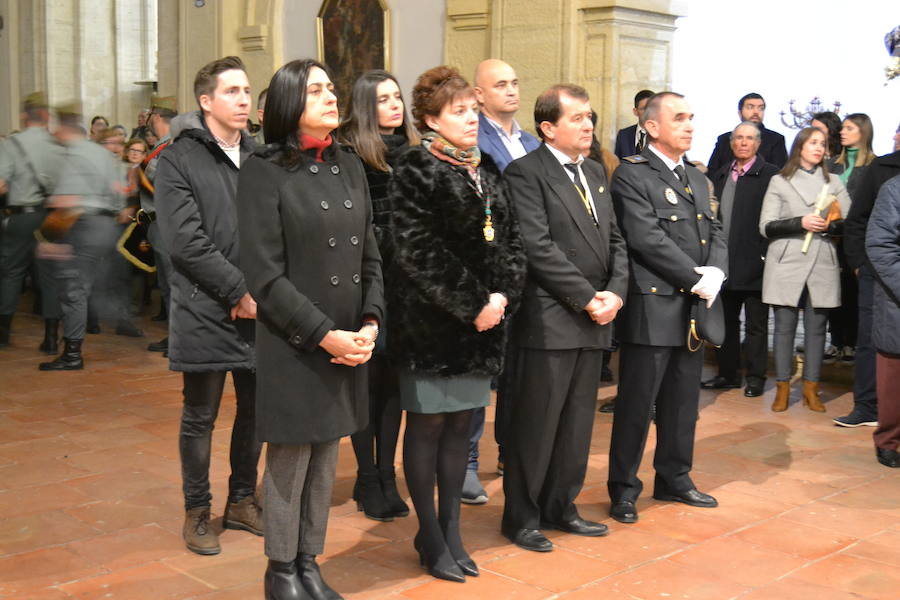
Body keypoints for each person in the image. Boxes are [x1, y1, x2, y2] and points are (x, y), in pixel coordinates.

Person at [238, 58, 384, 600]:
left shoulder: (347, 163)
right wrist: (324, 335)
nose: (330, 97)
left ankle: (308, 560)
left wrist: (370, 320)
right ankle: (280, 568)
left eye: (331, 87)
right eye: (316, 90)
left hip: (348, 336)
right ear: (288, 103)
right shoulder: (263, 169)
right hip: (297, 339)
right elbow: (264, 274)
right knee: (292, 457)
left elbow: (370, 252)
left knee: (327, 453)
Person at [389, 65, 525, 581]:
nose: (471, 119)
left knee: (463, 431)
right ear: (430, 119)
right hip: (433, 327)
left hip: (483, 328)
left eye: (473, 109)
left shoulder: (485, 168)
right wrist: (474, 302)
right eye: (459, 112)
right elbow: (417, 252)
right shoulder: (415, 168)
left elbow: (513, 242)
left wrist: (503, 297)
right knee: (428, 429)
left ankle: (450, 530)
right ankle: (430, 535)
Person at [501, 83, 627, 552]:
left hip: (594, 316)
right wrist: (587, 297)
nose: (588, 125)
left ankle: (562, 506)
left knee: (576, 424)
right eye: (577, 118)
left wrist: (614, 293)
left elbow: (615, 240)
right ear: (548, 127)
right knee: (537, 423)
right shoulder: (525, 173)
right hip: (552, 315)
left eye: (590, 117)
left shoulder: (594, 171)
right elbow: (538, 247)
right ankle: (522, 516)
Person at [154, 56, 263, 557]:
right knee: (201, 415)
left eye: (247, 91)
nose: (243, 100)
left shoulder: (260, 156)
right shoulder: (179, 158)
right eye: (232, 92)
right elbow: (185, 242)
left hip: (261, 309)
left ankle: (242, 501)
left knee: (257, 412)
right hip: (206, 307)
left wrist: (263, 294)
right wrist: (238, 292)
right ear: (206, 101)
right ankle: (197, 511)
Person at [608, 92, 727, 524]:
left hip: (693, 309)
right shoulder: (631, 176)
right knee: (637, 404)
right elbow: (645, 239)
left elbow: (716, 232)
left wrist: (717, 273)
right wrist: (698, 279)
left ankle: (675, 478)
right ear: (652, 126)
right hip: (653, 307)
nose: (690, 125)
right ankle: (623, 488)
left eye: (692, 118)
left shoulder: (697, 179)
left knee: (682, 402)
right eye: (680, 118)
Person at [337, 69, 418, 522]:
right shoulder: (350, 154)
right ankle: (367, 477)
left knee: (393, 387)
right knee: (366, 386)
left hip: (406, 286)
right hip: (367, 283)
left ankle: (387, 473)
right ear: (367, 107)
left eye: (397, 96)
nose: (395, 105)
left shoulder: (413, 153)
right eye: (384, 99)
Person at [469, 57, 541, 501]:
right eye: (500, 85)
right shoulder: (472, 138)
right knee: (481, 372)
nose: (511, 91)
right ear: (479, 95)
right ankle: (467, 462)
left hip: (531, 270)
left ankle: (511, 451)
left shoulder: (533, 142)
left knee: (519, 371)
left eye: (515, 83)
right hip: (491, 268)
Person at [759, 127, 850, 413]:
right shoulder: (779, 181)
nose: (818, 148)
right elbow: (766, 226)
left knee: (816, 329)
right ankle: (783, 388)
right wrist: (800, 222)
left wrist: (829, 226)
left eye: (822, 144)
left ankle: (812, 388)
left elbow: (849, 221)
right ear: (799, 147)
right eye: (813, 143)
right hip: (787, 258)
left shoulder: (833, 181)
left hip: (822, 258)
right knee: (784, 327)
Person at [37, 104, 129, 371]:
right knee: (85, 285)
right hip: (105, 224)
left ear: (64, 127)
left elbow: (67, 200)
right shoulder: (100, 154)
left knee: (72, 288)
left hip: (80, 224)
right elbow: (118, 194)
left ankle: (72, 354)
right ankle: (92, 330)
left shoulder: (72, 154)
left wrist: (49, 240)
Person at [701, 122, 778, 397]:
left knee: (757, 325)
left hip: (757, 263)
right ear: (732, 143)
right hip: (725, 264)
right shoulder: (721, 175)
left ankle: (756, 378)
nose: (743, 143)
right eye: (738, 138)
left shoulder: (771, 175)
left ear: (758, 144)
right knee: (727, 324)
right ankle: (728, 374)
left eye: (749, 138)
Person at [843, 123, 900, 431]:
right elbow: (857, 220)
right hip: (876, 272)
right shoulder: (882, 168)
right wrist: (859, 264)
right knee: (870, 340)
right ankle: (866, 405)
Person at [0, 92, 64, 353]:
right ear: (46, 116)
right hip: (52, 218)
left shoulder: (12, 144)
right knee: (50, 276)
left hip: (22, 216)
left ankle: (3, 333)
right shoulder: (58, 145)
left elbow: (1, 184)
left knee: (11, 273)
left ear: (24, 116)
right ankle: (50, 339)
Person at [823, 114, 876, 372]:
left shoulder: (874, 166)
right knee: (833, 289)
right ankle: (835, 341)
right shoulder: (833, 164)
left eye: (849, 128)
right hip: (830, 237)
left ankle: (851, 342)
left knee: (852, 291)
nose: (842, 132)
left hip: (857, 239)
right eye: (842, 127)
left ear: (863, 132)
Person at [865, 174, 900, 469]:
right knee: (894, 382)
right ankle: (888, 441)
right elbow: (881, 246)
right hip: (897, 302)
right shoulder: (893, 189)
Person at [140, 96, 179, 355]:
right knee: (166, 284)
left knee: (175, 284)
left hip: (168, 223)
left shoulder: (170, 147)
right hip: (159, 223)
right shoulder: (164, 146)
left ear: (156, 118)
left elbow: (161, 183)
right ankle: (174, 335)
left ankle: (182, 339)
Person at [707, 93, 788, 172]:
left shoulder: (776, 139)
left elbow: (781, 174)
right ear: (740, 112)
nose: (756, 112)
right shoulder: (724, 139)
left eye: (761, 108)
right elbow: (712, 172)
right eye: (750, 107)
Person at [614, 89, 654, 159]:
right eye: (644, 109)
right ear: (635, 111)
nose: (648, 112)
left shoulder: (663, 135)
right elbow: (617, 163)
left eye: (652, 108)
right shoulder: (623, 135)